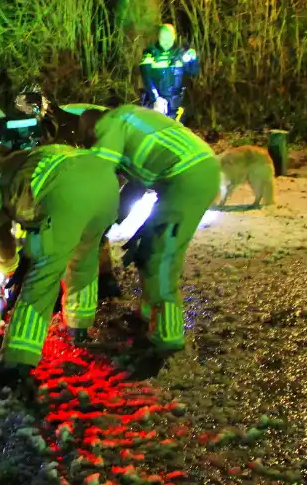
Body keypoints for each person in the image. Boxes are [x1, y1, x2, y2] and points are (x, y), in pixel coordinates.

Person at [80, 104, 219, 354]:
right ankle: (146, 316)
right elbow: (134, 187)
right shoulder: (130, 124)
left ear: (92, 129)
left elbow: (99, 174)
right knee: (146, 249)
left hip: (188, 178)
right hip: (189, 174)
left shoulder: (109, 124)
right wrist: (110, 221)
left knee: (160, 257)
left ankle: (167, 337)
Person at [0, 144, 120, 378]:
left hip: (65, 194)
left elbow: (0, 239)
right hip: (107, 187)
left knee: (43, 278)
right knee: (84, 258)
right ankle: (79, 326)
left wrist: (10, 269)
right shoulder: (22, 158)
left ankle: (18, 359)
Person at [139, 24, 199, 123]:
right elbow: (147, 79)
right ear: (158, 37)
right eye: (163, 38)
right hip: (155, 105)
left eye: (169, 38)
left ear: (174, 36)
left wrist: (193, 59)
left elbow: (193, 72)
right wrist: (156, 99)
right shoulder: (150, 54)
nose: (166, 42)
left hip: (177, 106)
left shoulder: (181, 54)